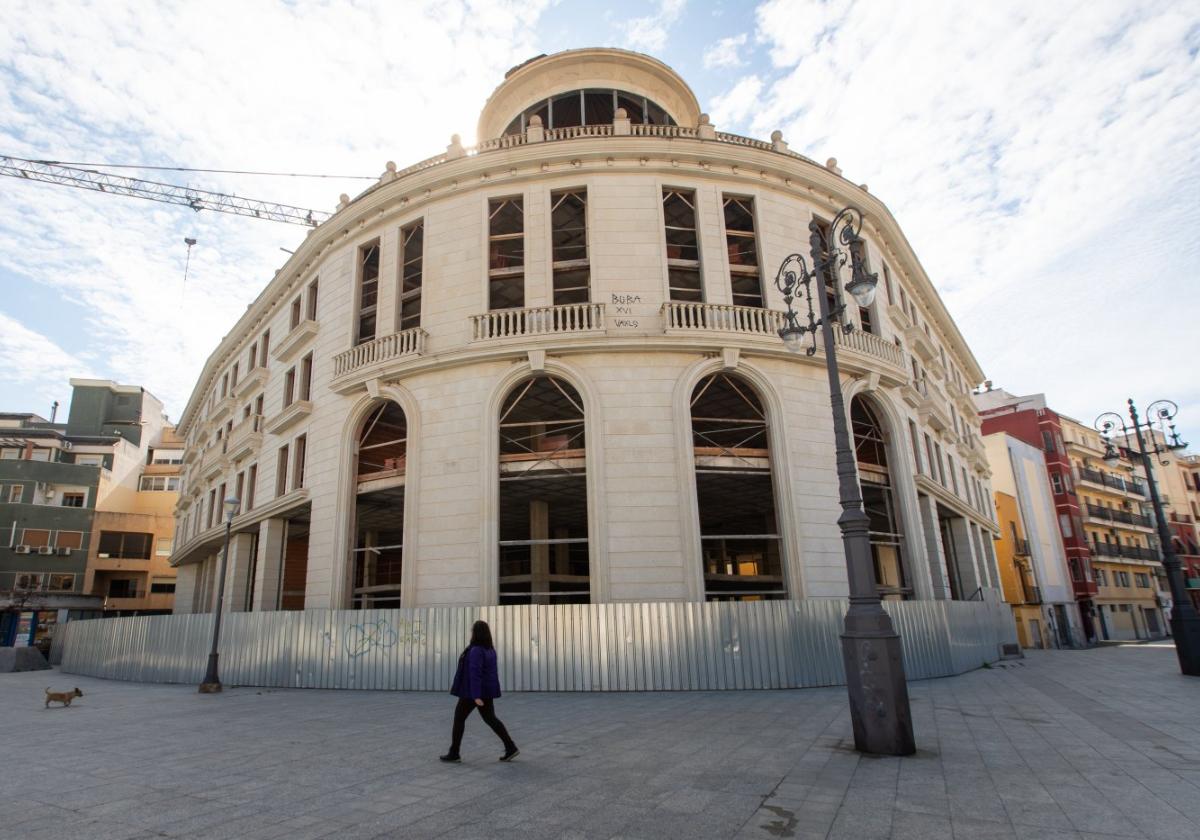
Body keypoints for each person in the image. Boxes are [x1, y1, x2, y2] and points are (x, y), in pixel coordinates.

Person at [440, 620, 519, 763]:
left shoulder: (476, 650)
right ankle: (511, 747)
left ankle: (454, 752)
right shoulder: (490, 649)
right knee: (490, 718)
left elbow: (475, 673)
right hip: (485, 692)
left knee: (459, 718)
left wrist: (476, 695)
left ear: (475, 633)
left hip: (473, 693)